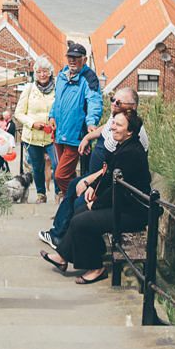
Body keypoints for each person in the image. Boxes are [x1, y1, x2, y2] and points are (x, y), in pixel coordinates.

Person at [40, 107, 150, 284]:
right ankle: (63, 257)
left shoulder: (132, 153)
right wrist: (93, 188)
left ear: (130, 131)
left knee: (82, 221)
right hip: (123, 205)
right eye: (113, 123)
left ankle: (96, 268)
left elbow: (120, 190)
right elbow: (109, 176)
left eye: (118, 125)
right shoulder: (123, 147)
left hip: (133, 213)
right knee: (80, 211)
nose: (113, 127)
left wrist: (96, 204)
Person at [39, 89, 143, 249]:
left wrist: (91, 182)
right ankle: (58, 234)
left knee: (80, 204)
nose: (114, 104)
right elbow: (106, 128)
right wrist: (88, 137)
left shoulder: (131, 132)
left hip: (108, 185)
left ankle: (67, 243)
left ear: (133, 107)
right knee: (74, 185)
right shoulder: (118, 120)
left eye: (119, 102)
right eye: (113, 99)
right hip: (101, 178)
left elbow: (118, 169)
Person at [50, 43, 101, 194]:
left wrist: (92, 122)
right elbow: (57, 100)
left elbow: (94, 101)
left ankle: (77, 198)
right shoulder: (62, 74)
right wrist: (51, 115)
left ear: (84, 60)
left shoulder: (89, 78)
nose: (72, 60)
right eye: (70, 57)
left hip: (75, 135)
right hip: (59, 132)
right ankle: (67, 211)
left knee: (60, 176)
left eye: (76, 58)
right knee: (69, 175)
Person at [14, 56, 57, 202]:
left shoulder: (57, 89)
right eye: (39, 72)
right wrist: (32, 123)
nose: (42, 75)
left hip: (52, 135)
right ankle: (41, 194)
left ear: (50, 73)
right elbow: (18, 113)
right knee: (37, 167)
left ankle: (59, 193)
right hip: (33, 135)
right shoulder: (29, 89)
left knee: (57, 165)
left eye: (45, 71)